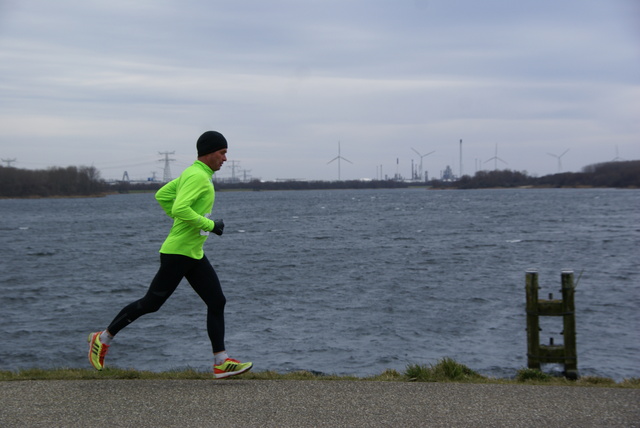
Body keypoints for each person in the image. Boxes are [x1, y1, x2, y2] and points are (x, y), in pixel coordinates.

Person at [88, 130, 252, 379]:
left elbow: (162, 196)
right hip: (178, 253)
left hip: (192, 252)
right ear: (209, 152)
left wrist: (184, 221)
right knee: (151, 303)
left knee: (217, 301)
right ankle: (102, 338)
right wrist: (209, 225)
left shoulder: (193, 172)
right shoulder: (198, 177)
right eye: (222, 153)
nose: (225, 159)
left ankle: (221, 361)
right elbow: (179, 207)